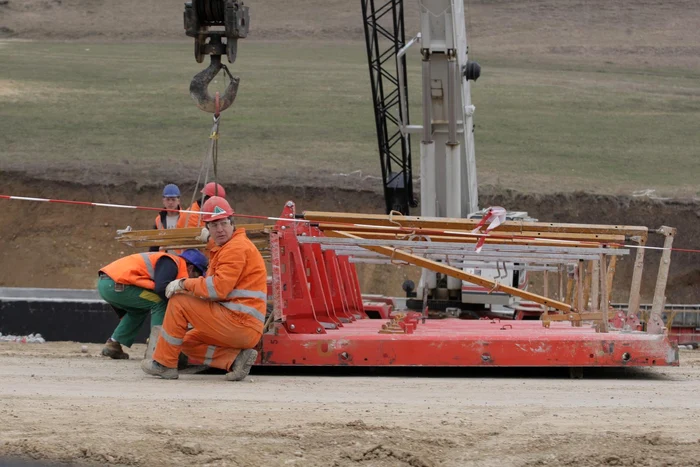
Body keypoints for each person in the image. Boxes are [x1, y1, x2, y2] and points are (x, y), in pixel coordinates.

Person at [141, 196, 266, 381]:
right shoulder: (230, 245)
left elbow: (217, 289)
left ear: (232, 223)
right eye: (214, 225)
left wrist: (183, 283)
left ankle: (164, 364)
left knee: (179, 300)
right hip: (240, 325)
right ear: (207, 228)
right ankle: (235, 360)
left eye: (223, 223)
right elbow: (220, 247)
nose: (220, 229)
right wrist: (210, 239)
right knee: (187, 341)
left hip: (239, 323)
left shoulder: (236, 249)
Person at [98, 249, 209, 360]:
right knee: (159, 302)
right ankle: (156, 348)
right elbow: (161, 289)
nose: (194, 281)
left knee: (138, 311)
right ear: (190, 268)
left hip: (107, 283)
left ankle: (113, 344)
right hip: (116, 284)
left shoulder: (170, 264)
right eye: (196, 276)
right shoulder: (171, 263)